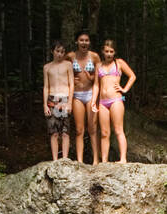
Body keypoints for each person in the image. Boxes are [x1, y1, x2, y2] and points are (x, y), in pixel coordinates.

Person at [93, 39, 136, 163]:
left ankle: (123, 159)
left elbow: (132, 76)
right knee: (105, 133)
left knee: (118, 130)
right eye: (106, 51)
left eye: (111, 51)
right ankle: (104, 161)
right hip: (102, 102)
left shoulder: (119, 63)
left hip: (116, 100)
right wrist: (93, 101)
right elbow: (96, 85)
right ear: (102, 51)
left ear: (115, 52)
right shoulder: (98, 66)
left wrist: (125, 89)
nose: (109, 54)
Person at [67, 29, 101, 164]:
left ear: (90, 42)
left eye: (86, 40)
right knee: (79, 129)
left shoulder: (94, 57)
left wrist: (91, 78)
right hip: (76, 95)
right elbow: (61, 67)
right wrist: (68, 79)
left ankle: (96, 160)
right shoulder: (70, 56)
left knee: (92, 129)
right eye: (81, 40)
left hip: (91, 93)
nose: (84, 43)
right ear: (76, 41)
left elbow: (99, 78)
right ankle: (80, 161)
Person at [43, 40, 74, 160]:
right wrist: (45, 105)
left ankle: (65, 158)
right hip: (51, 99)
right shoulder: (47, 67)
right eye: (57, 51)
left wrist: (70, 102)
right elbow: (46, 86)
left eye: (62, 52)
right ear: (52, 51)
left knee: (65, 132)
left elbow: (71, 84)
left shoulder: (68, 65)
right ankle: (55, 159)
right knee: (54, 132)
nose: (60, 54)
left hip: (65, 98)